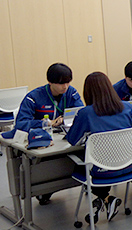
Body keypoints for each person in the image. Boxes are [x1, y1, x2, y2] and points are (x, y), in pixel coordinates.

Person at [3, 63, 85, 205]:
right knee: (48, 164)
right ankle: (44, 188)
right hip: (43, 142)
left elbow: (81, 112)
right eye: (61, 83)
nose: (65, 86)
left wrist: (65, 119)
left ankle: (55, 185)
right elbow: (21, 124)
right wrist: (44, 123)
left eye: (68, 82)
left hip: (63, 139)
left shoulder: (71, 93)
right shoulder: (34, 97)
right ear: (50, 82)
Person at [66, 72, 132, 221]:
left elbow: (73, 140)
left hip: (102, 171)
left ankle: (106, 198)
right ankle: (106, 199)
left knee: (82, 165)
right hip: (129, 165)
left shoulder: (86, 113)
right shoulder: (127, 107)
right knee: (103, 159)